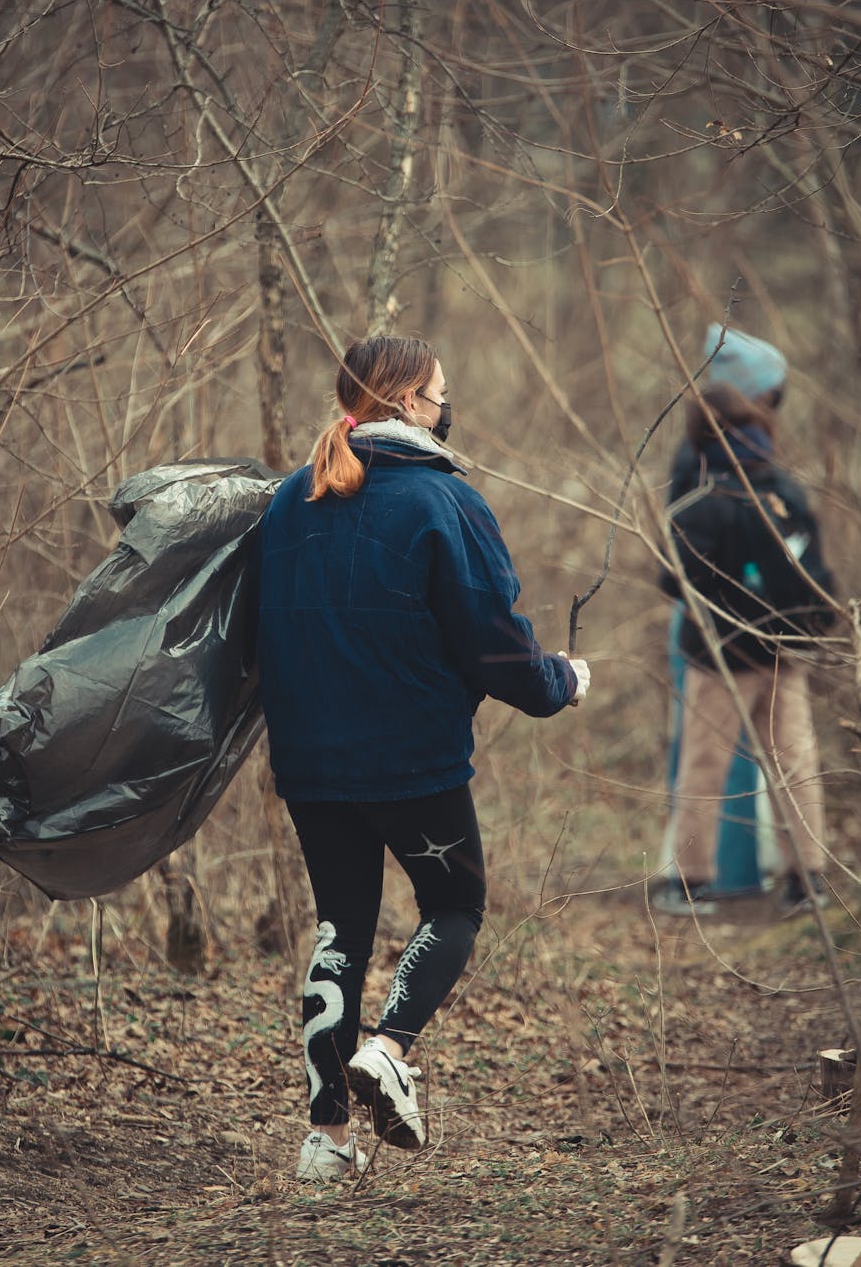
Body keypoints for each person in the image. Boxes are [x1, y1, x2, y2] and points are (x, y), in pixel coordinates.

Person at [257, 335, 590, 1181]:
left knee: (340, 930)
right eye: (440, 393)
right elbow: (492, 648)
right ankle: (389, 1049)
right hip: (412, 764)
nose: (449, 406)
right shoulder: (445, 504)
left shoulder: (291, 501)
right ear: (406, 403)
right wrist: (561, 680)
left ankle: (325, 1144)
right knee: (455, 906)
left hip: (308, 766)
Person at [654, 379, 835, 916]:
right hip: (786, 652)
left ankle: (690, 882)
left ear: (701, 439)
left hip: (721, 658)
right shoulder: (785, 492)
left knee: (704, 763)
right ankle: (807, 878)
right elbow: (817, 576)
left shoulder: (702, 504)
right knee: (793, 760)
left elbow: (673, 581)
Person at [663, 324, 791, 897]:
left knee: (719, 753)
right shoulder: (706, 458)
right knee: (711, 754)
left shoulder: (733, 452)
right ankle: (717, 878)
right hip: (711, 625)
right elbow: (682, 553)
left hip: (744, 624)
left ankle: (733, 876)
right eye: (768, 399)